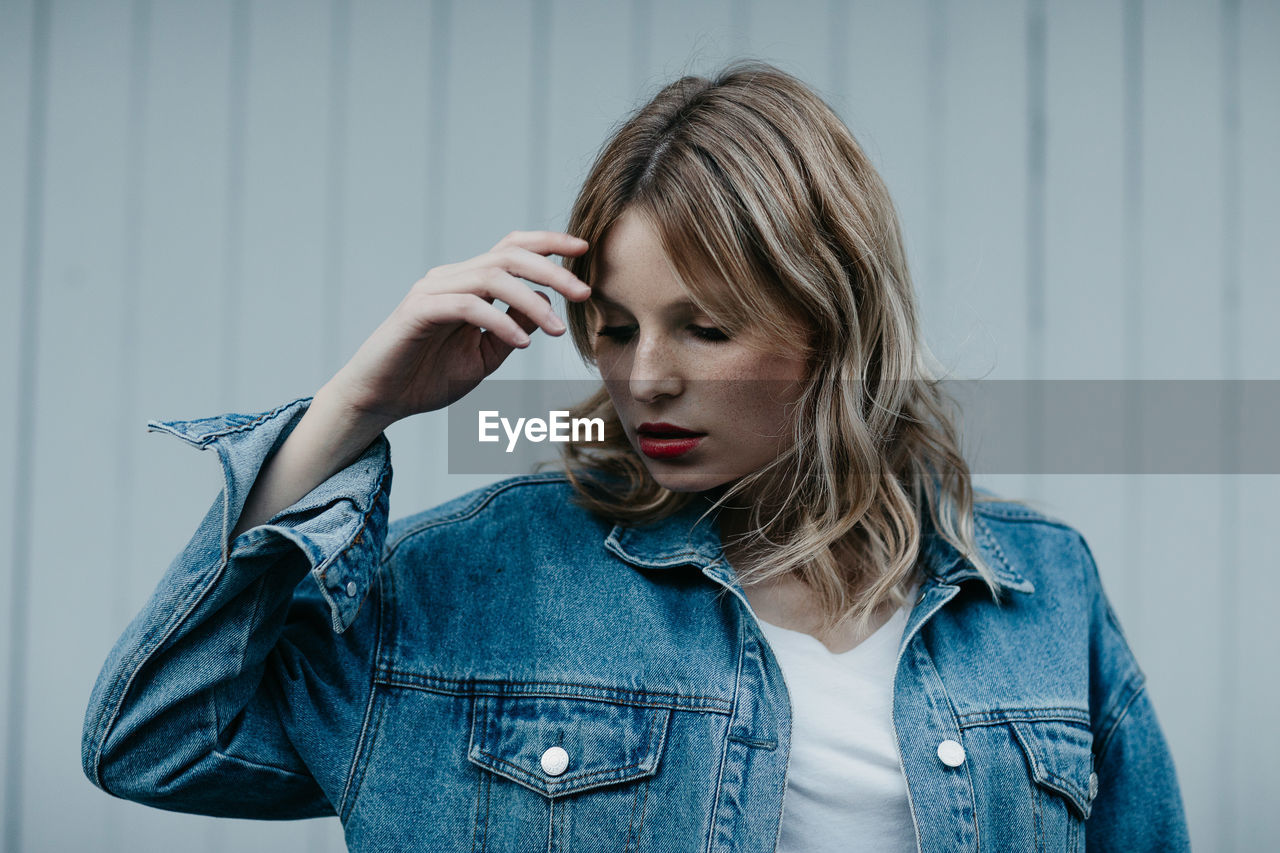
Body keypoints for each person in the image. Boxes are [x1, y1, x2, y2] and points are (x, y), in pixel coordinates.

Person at [82, 60, 1189, 852]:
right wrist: (350, 410)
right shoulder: (475, 580)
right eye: (613, 325)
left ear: (833, 326)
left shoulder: (1040, 593)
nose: (644, 376)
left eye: (704, 329)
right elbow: (154, 739)